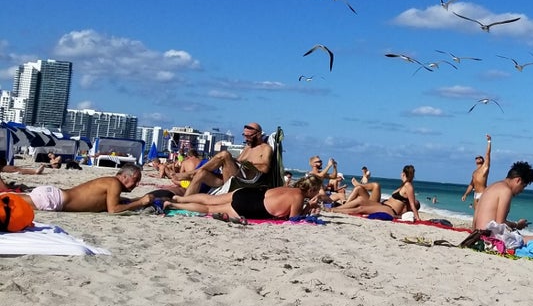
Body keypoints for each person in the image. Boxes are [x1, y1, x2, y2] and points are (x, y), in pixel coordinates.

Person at [167, 175, 324, 222]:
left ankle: (178, 199)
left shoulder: (288, 188)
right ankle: (174, 206)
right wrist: (308, 207)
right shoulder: (298, 196)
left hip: (248, 193)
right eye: (316, 190)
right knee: (209, 209)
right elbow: (294, 219)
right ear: (311, 189)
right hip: (253, 205)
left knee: (210, 199)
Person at [181, 123, 274, 197]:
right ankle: (184, 201)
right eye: (244, 135)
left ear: (258, 135)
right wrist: (233, 161)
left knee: (225, 154)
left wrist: (248, 164)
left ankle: (191, 173)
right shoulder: (247, 148)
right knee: (201, 173)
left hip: (245, 181)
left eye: (249, 136)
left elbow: (265, 168)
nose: (246, 138)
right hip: (232, 178)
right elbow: (238, 162)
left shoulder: (265, 148)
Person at [24, 165, 157, 214]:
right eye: (135, 179)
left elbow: (121, 201)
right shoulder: (114, 183)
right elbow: (114, 210)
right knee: (6, 201)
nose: (137, 184)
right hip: (54, 200)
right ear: (124, 176)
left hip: (54, 196)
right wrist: (140, 203)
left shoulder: (111, 184)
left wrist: (140, 199)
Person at [337, 165, 420, 219]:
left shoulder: (408, 186)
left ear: (403, 174)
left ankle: (333, 210)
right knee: (360, 197)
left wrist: (418, 218)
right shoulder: (404, 185)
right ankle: (337, 208)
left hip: (389, 209)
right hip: (383, 205)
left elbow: (412, 205)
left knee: (360, 207)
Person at [473, 161, 533, 231]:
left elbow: (475, 219)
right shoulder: (506, 191)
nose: (522, 190)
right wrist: (517, 225)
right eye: (523, 186)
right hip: (487, 235)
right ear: (518, 180)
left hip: (476, 234)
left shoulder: (490, 187)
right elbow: (500, 223)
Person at [462, 136, 492, 208]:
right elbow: (471, 185)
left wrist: (489, 141)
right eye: (476, 158)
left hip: (482, 194)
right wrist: (465, 194)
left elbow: (487, 154)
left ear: (483, 160)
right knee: (476, 213)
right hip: (475, 194)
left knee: (481, 213)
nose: (478, 158)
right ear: (475, 161)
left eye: (480, 158)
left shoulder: (485, 168)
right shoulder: (474, 172)